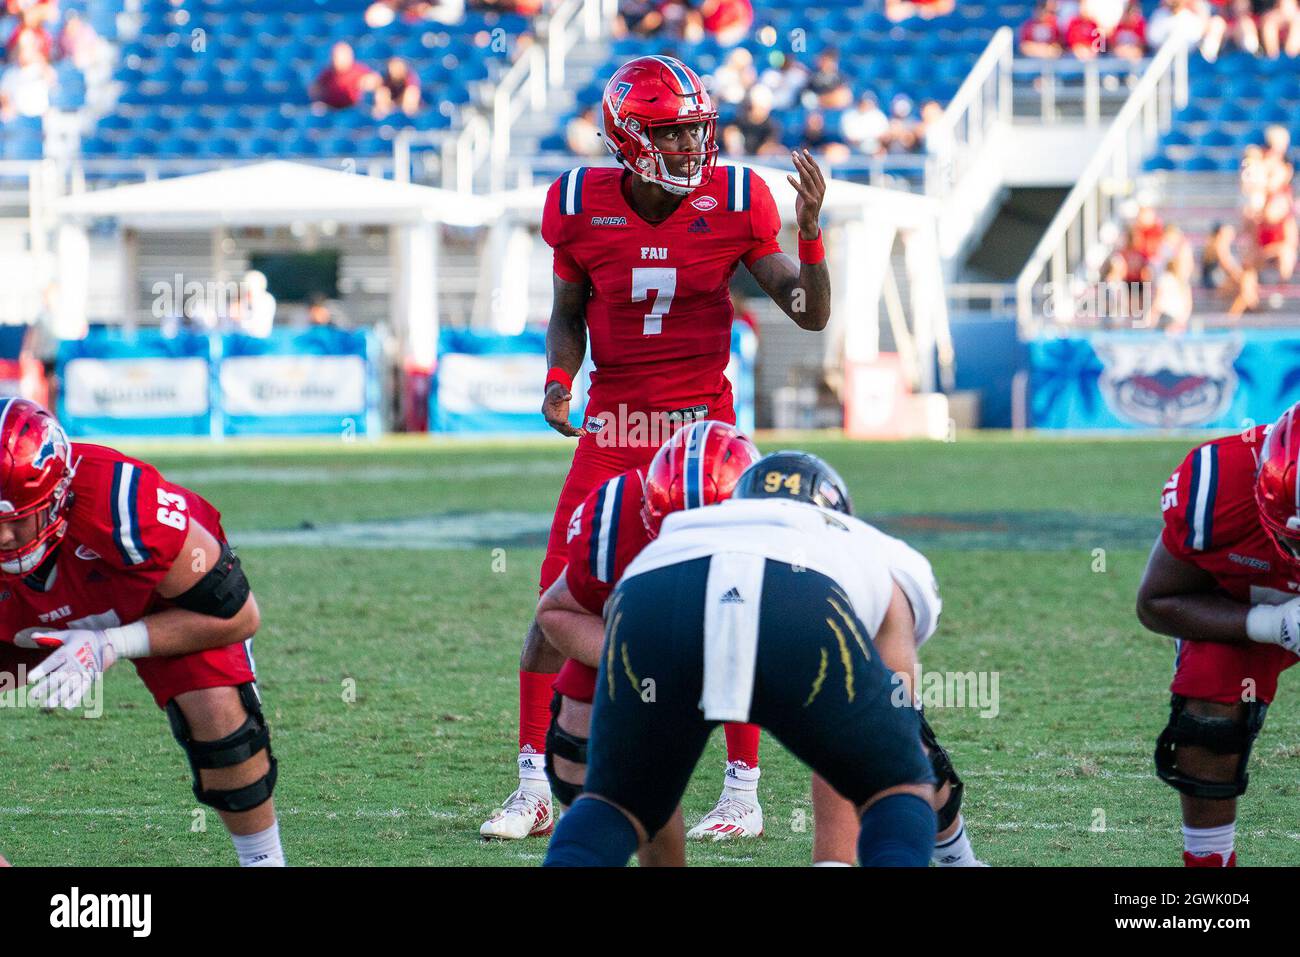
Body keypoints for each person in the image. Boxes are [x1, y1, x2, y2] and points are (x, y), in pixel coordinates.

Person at [480, 54, 831, 840]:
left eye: (694, 132)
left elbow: (807, 312)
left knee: (732, 595)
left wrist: (809, 236)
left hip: (703, 432)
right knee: (554, 601)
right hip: (612, 427)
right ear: (630, 138)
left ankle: (743, 790)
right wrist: (556, 381)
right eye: (672, 134)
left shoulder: (737, 197)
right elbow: (568, 310)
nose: (690, 149)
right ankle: (535, 782)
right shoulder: (576, 203)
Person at [543, 451, 938, 867]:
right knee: (898, 789)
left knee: (615, 805)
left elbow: (557, 609)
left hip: (656, 593)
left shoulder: (688, 526)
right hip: (799, 607)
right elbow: (900, 703)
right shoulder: (878, 549)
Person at [0, 399, 283, 866]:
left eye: (15, 521)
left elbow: (240, 616)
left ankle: (265, 862)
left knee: (221, 726)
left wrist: (112, 643)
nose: (4, 539)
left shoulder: (124, 505)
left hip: (150, 600)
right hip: (21, 611)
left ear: (56, 496)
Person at [535, 421, 766, 850]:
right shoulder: (616, 516)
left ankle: (743, 791)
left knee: (862, 751)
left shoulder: (794, 556)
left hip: (748, 642)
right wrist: (637, 659)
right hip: (646, 635)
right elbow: (555, 610)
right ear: (649, 512)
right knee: (581, 767)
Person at [1136, 402, 1300, 866]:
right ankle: (1209, 862)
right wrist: (1272, 625)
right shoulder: (1217, 488)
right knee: (1208, 707)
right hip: (1250, 607)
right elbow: (1157, 602)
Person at [310, 42, 379, 110]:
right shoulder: (328, 73)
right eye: (334, 56)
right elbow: (316, 88)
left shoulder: (359, 71)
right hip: (333, 109)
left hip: (354, 109)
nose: (337, 60)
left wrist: (368, 83)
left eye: (341, 56)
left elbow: (375, 81)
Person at [840, 91, 889, 156]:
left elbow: (885, 135)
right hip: (853, 150)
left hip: (876, 149)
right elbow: (849, 137)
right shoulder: (849, 114)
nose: (866, 105)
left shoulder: (879, 115)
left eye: (869, 102)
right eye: (864, 102)